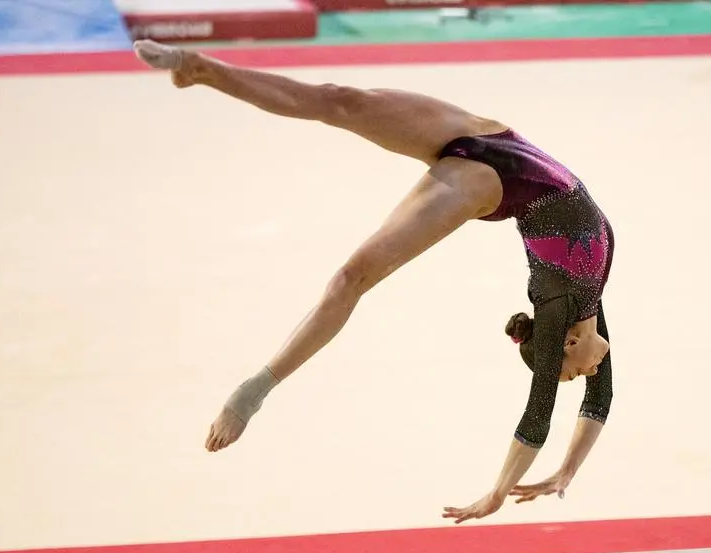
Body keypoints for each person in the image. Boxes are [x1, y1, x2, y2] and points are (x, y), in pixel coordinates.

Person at [133, 40, 615, 523]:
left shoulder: (561, 309)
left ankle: (252, 390)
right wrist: (567, 470)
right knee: (340, 99)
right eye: (572, 373)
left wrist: (500, 492)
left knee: (352, 276)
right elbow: (601, 399)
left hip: (488, 186)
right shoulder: (590, 307)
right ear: (570, 342)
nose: (587, 375)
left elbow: (539, 416)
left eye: (570, 373)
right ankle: (198, 69)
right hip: (495, 137)